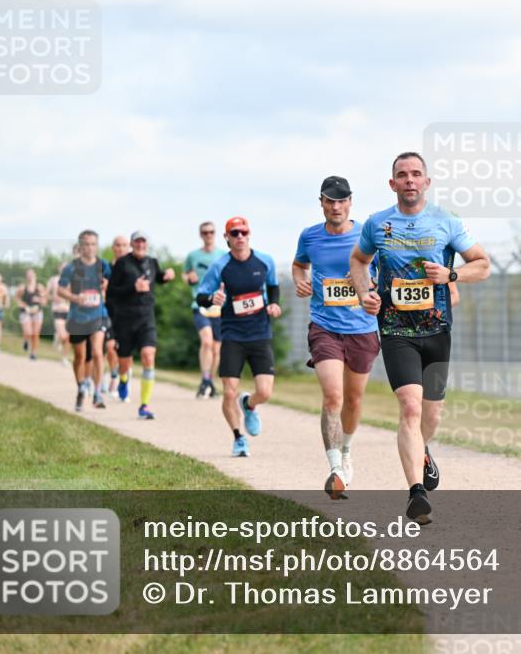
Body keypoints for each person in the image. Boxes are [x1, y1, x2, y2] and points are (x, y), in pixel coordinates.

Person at [350, 152, 490, 524]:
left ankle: (422, 450)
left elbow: (482, 264)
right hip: (395, 329)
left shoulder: (447, 221)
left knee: (431, 414)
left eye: (416, 174)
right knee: (410, 407)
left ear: (427, 182)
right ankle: (416, 493)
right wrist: (365, 293)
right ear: (392, 183)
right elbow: (359, 260)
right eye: (402, 175)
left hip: (437, 329)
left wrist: (451, 275)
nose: (409, 180)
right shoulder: (377, 224)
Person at [293, 175, 381, 500]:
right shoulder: (310, 236)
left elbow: (386, 271)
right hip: (324, 326)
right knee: (333, 397)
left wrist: (369, 281)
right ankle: (334, 470)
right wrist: (300, 280)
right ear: (321, 203)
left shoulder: (367, 234)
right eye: (330, 201)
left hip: (362, 328)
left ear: (350, 202)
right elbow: (299, 265)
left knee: (354, 400)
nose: (336, 207)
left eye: (341, 200)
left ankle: (346, 451)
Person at [196, 216, 281, 458]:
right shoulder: (220, 266)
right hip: (232, 335)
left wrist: (274, 304)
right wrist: (212, 299)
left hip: (260, 333)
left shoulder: (265, 261)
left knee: (264, 392)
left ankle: (249, 405)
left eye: (243, 232)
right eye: (235, 233)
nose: (240, 237)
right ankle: (238, 438)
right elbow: (201, 296)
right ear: (227, 237)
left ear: (249, 234)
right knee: (229, 392)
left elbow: (273, 286)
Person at [107, 230, 175, 420]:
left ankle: (144, 405)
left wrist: (167, 275)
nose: (140, 245)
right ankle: (123, 380)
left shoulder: (152, 262)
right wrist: (133, 288)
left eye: (143, 242)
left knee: (148, 355)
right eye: (137, 242)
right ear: (131, 244)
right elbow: (111, 293)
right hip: (124, 320)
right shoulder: (122, 263)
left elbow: (158, 277)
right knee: (124, 362)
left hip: (146, 319)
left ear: (147, 244)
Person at [58, 230, 111, 412]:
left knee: (97, 352)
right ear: (80, 246)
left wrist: (107, 285)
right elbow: (60, 290)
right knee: (80, 357)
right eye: (86, 244)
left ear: (97, 246)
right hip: (78, 317)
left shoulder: (103, 265)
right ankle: (81, 387)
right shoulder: (71, 268)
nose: (90, 248)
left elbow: (111, 283)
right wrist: (75, 298)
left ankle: (97, 392)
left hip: (98, 315)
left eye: (93, 244)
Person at [184, 221, 227, 399]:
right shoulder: (193, 256)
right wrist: (189, 278)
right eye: (205, 232)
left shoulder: (223, 255)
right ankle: (204, 379)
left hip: (220, 307)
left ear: (215, 234)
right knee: (207, 342)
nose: (208, 235)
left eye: (211, 232)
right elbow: (185, 274)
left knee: (217, 349)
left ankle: (209, 382)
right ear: (201, 234)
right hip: (200, 304)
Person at [104, 235, 131, 399]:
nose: (121, 248)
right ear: (113, 248)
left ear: (128, 247)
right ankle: (115, 375)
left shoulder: (132, 267)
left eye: (124, 245)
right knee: (110, 347)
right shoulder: (106, 268)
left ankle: (124, 378)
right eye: (118, 245)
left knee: (125, 350)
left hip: (129, 313)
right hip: (109, 311)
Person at [17, 268, 46, 360]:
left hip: (37, 312)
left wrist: (39, 299)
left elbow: (44, 301)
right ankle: (26, 340)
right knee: (28, 332)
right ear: (26, 277)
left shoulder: (40, 287)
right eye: (28, 275)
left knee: (35, 334)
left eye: (32, 275)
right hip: (26, 312)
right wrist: (22, 305)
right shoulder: (22, 288)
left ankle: (33, 353)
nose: (30, 277)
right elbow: (17, 299)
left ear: (35, 276)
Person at [47, 262, 71, 366]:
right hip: (57, 310)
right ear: (59, 268)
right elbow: (46, 294)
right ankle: (58, 338)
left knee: (69, 337)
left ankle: (64, 358)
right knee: (63, 335)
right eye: (63, 267)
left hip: (69, 311)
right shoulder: (53, 280)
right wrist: (53, 298)